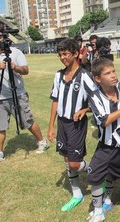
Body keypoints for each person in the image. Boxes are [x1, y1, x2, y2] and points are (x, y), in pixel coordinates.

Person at [47, 38, 97, 212]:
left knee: (75, 164)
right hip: (62, 123)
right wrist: (51, 126)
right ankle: (77, 194)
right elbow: (55, 100)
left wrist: (86, 109)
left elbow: (98, 100)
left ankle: (97, 169)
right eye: (60, 55)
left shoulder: (84, 76)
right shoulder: (58, 76)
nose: (62, 58)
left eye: (66, 54)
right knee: (67, 160)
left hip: (76, 124)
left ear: (76, 54)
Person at [86, 58, 120, 222]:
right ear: (97, 79)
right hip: (106, 145)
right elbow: (104, 121)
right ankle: (99, 211)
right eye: (107, 73)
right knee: (95, 174)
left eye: (113, 71)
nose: (113, 75)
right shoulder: (95, 96)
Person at [0, 27, 48, 165]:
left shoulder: (15, 52)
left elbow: (25, 71)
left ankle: (42, 141)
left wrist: (14, 67)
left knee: (27, 121)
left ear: (5, 38)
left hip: (18, 94)